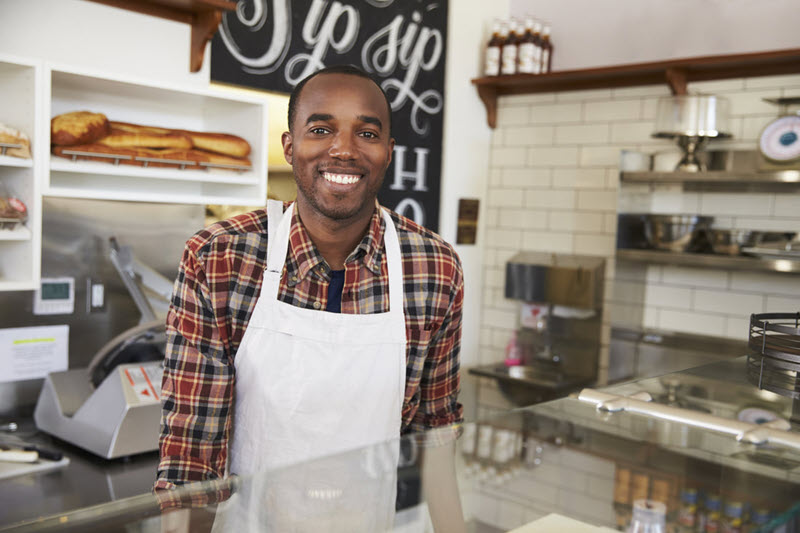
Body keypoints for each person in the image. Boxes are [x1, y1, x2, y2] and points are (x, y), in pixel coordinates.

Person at [155, 65, 464, 508]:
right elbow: (190, 455)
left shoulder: (434, 268)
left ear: (389, 152)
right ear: (289, 145)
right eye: (321, 129)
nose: (343, 150)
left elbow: (437, 433)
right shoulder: (220, 258)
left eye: (368, 134)